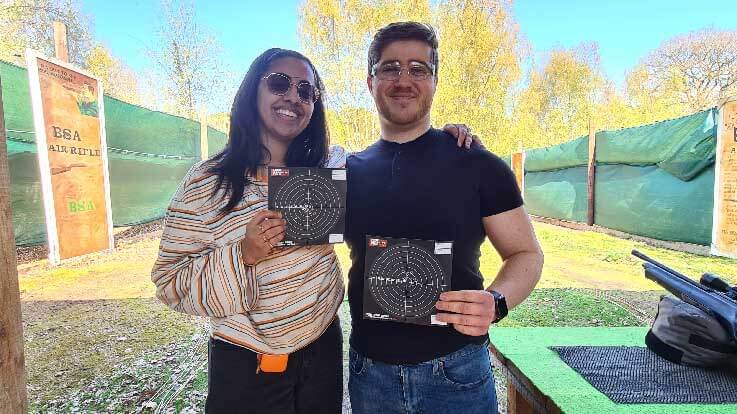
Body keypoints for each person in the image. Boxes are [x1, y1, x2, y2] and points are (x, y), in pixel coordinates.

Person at [151, 47, 476, 414]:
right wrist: (242, 255)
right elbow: (169, 282)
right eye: (279, 83)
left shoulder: (332, 167)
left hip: (321, 354)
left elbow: (390, 167)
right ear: (251, 91)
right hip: (245, 367)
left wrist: (438, 142)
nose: (293, 96)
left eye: (306, 91)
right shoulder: (207, 183)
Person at [345, 22, 545, 414]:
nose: (404, 79)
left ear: (435, 82)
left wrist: (497, 302)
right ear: (370, 82)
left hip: (456, 375)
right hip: (370, 377)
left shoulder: (479, 165)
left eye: (418, 68)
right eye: (390, 68)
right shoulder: (346, 173)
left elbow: (526, 254)